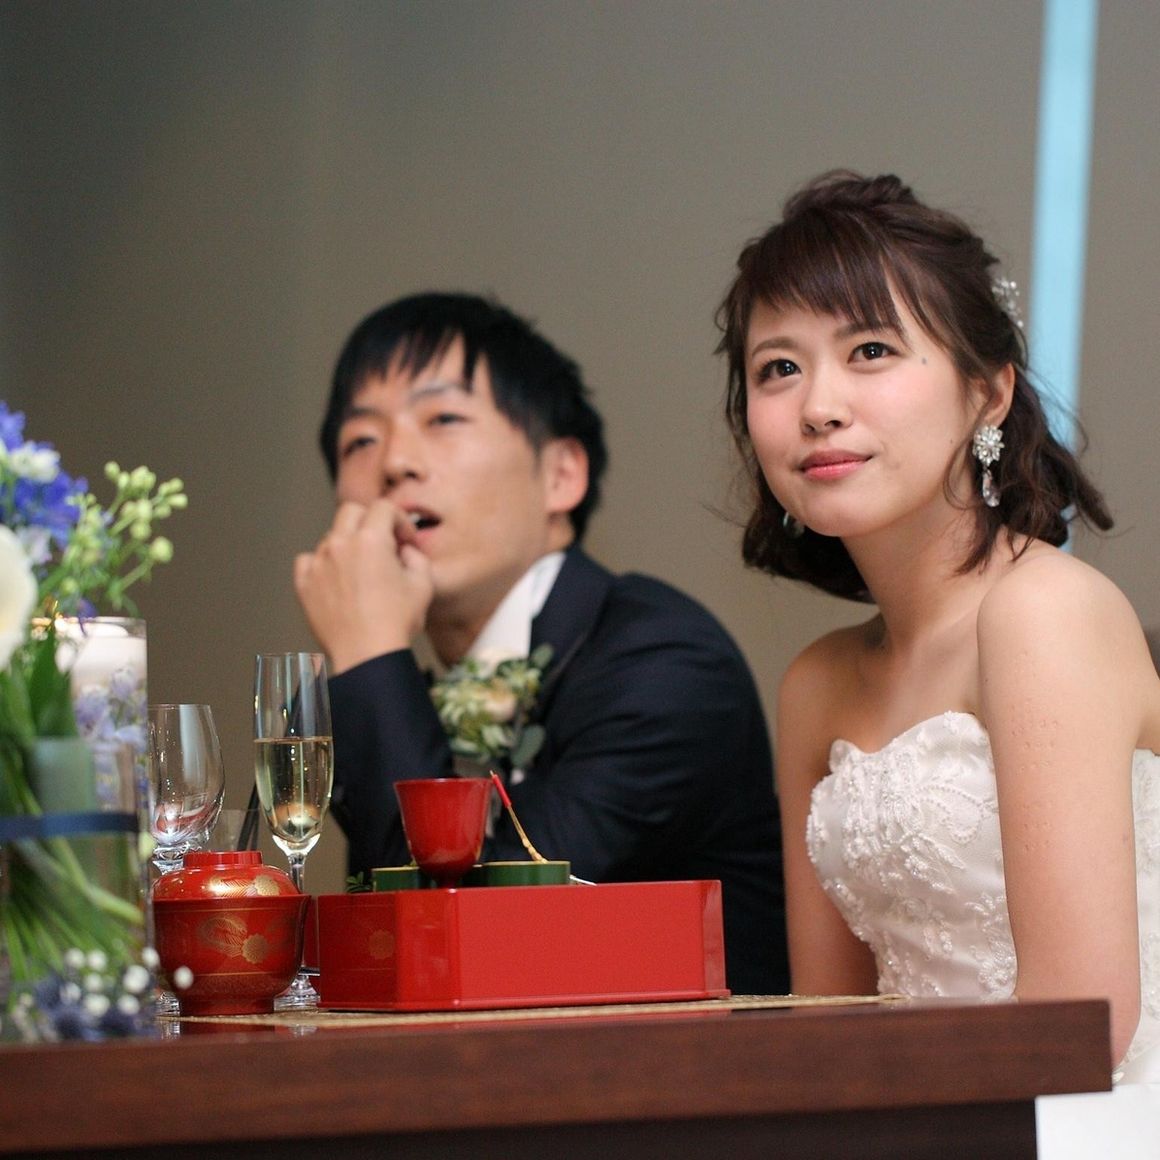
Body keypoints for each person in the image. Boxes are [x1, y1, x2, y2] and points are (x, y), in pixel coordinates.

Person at [717, 171, 1160, 1138]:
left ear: (988, 394)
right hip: (920, 1128)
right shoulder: (817, 684)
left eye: (870, 351)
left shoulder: (1043, 613)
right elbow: (830, 1027)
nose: (818, 406)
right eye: (778, 368)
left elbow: (1082, 1030)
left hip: (1087, 1127)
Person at [294, 291, 789, 995]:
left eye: (443, 419)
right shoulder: (389, 695)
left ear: (560, 475)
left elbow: (469, 944)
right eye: (361, 442)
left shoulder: (663, 661)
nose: (395, 463)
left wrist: (370, 654)